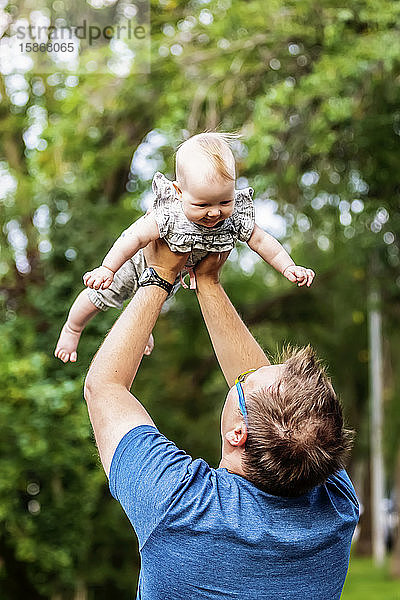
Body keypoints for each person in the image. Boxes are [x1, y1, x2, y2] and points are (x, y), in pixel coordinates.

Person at [83, 239, 359, 600]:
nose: (247, 372)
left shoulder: (180, 506)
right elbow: (276, 408)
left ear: (237, 434)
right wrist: (208, 282)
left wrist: (160, 276)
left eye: (245, 381)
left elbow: (104, 388)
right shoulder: (335, 508)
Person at [55, 132, 315, 363]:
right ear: (179, 192)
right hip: (135, 265)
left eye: (225, 201)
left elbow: (261, 240)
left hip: (176, 274)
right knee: (101, 296)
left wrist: (288, 266)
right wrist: (108, 268)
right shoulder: (169, 214)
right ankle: (72, 328)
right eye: (202, 205)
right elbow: (132, 237)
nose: (215, 212)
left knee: (157, 303)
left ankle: (141, 331)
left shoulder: (234, 216)